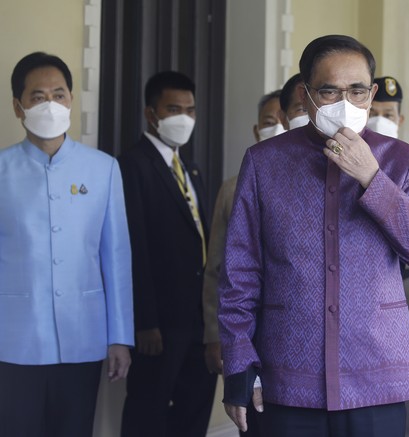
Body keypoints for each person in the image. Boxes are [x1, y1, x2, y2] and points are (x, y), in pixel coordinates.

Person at [218, 34, 409, 437]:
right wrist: (238, 364)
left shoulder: (400, 159)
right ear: (305, 96)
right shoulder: (264, 162)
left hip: (377, 373)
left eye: (356, 90)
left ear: (371, 94)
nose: (344, 102)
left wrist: (372, 178)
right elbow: (240, 273)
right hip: (288, 376)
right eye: (329, 90)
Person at [0, 51, 133, 436]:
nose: (50, 105)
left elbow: (116, 258)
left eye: (58, 94)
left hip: (83, 337)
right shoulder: (3, 170)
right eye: (38, 96)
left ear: (71, 100)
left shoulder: (102, 168)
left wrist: (120, 337)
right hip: (13, 342)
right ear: (18, 105)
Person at [119, 71, 216, 437]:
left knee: (194, 410)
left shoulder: (190, 168)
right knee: (148, 410)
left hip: (196, 319)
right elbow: (133, 246)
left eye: (190, 110)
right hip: (158, 322)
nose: (184, 118)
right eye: (173, 109)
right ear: (151, 113)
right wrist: (144, 321)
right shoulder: (132, 165)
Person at [202, 88, 293, 437]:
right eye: (269, 123)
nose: (279, 128)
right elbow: (218, 269)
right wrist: (216, 336)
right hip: (251, 336)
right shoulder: (234, 187)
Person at [366, 75, 409, 437]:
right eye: (374, 111)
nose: (380, 118)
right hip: (366, 294)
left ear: (400, 120)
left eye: (388, 113)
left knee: (406, 393)